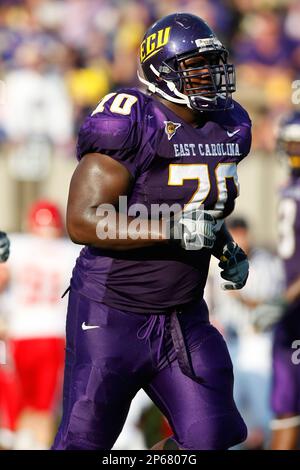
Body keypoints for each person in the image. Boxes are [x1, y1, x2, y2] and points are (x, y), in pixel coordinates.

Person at [52, 13, 252, 450]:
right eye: (196, 66)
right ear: (163, 71)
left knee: (212, 439)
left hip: (183, 316)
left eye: (211, 64)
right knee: (83, 445)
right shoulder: (132, 122)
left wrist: (225, 245)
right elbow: (82, 220)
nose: (210, 76)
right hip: (110, 314)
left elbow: (202, 210)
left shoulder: (228, 124)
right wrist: (174, 228)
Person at [0, 200, 80, 449]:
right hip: (54, 335)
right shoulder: (70, 250)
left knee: (19, 402)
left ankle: (19, 439)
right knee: (45, 407)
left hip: (19, 334)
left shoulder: (17, 245)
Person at [208, 217, 285, 449]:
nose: (240, 239)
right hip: (229, 341)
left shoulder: (265, 262)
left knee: (265, 411)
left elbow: (271, 305)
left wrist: (241, 298)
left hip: (257, 340)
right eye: (235, 234)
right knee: (231, 411)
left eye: (242, 234)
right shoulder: (217, 261)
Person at [269, 111, 300, 450]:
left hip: (294, 306)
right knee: (286, 408)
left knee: (288, 409)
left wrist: (286, 297)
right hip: (292, 309)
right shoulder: (289, 186)